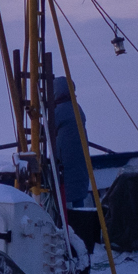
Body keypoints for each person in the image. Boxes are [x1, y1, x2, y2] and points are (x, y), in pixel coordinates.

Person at [48, 77, 91, 207]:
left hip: (64, 162)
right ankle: (80, 217)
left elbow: (45, 129)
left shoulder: (59, 111)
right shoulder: (76, 108)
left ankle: (64, 222)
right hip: (79, 158)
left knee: (62, 193)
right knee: (77, 192)